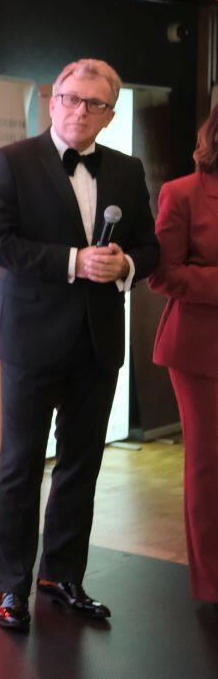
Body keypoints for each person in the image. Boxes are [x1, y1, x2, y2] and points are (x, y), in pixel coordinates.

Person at [0, 58, 157, 632]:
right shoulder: (12, 160)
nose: (81, 111)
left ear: (110, 115)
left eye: (95, 104)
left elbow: (149, 248)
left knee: (81, 464)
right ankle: (12, 586)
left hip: (97, 342)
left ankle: (62, 575)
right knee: (20, 465)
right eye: (72, 99)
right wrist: (74, 261)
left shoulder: (127, 168)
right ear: (53, 102)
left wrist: (125, 264)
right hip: (31, 340)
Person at [147, 102, 218, 604]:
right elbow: (162, 275)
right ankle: (213, 583)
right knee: (209, 467)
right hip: (201, 351)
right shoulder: (183, 192)